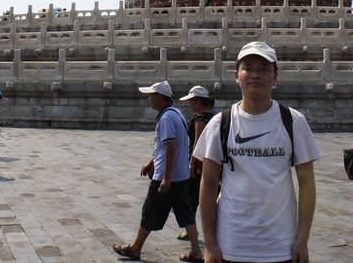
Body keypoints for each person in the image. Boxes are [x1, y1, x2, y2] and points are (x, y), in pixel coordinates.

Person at [193, 41, 321, 263]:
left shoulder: (293, 121)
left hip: (280, 246)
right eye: (248, 68)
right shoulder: (219, 124)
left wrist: (302, 241)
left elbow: (307, 184)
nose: (255, 75)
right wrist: (210, 244)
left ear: (275, 77)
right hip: (230, 244)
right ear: (236, 75)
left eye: (263, 69)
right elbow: (208, 184)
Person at [113, 80, 203, 263]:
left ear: (160, 98)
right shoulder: (175, 113)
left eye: (151, 96)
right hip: (181, 176)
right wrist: (150, 162)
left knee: (150, 211)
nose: (149, 100)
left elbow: (170, 148)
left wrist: (165, 179)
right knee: (185, 213)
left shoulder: (166, 118)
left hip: (166, 177)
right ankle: (196, 251)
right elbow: (168, 147)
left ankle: (135, 248)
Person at [177, 85, 217, 242]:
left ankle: (190, 230)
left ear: (198, 101)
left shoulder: (200, 119)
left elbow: (197, 144)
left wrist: (192, 165)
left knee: (190, 199)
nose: (189, 105)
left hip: (199, 164)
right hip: (213, 162)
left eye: (191, 101)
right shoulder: (215, 116)